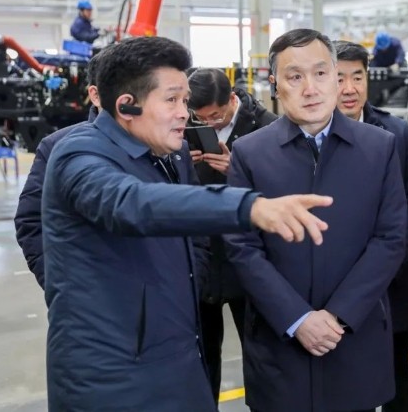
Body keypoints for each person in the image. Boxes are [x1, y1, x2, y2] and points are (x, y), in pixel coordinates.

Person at [41, 36, 333, 411]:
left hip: (179, 357)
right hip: (111, 375)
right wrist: (248, 206)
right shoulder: (79, 153)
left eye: (185, 100)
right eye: (172, 100)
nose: (185, 113)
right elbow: (130, 202)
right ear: (126, 105)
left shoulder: (170, 153)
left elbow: (191, 233)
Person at [223, 28, 407, 412]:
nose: (310, 88)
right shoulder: (250, 153)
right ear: (275, 85)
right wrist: (297, 318)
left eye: (321, 73)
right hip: (280, 341)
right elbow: (242, 248)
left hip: (353, 335)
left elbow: (390, 238)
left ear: (336, 77)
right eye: (294, 76)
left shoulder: (378, 148)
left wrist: (339, 315)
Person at [334, 40, 408, 412]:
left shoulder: (396, 133)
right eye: (339, 78)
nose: (349, 88)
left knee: (396, 386)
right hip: (334, 291)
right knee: (344, 389)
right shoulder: (311, 135)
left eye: (357, 77)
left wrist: (390, 258)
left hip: (391, 286)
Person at [186, 67, 277, 403]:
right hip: (203, 258)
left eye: (216, 116)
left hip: (248, 259)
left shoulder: (266, 128)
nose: (209, 124)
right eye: (201, 118)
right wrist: (182, 164)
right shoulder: (183, 129)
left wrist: (237, 170)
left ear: (232, 99)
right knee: (202, 358)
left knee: (260, 355)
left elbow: (281, 193)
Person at [14, 50, 105, 289]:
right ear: (95, 95)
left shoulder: (170, 147)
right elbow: (32, 221)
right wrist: (62, 287)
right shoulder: (57, 146)